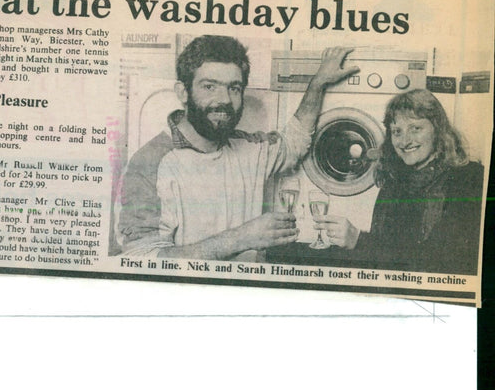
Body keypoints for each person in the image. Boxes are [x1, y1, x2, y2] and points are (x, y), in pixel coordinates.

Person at [117, 35, 358, 260]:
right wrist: (241, 238)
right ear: (183, 92)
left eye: (234, 88)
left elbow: (294, 141)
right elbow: (139, 259)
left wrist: (318, 84)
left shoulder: (249, 147)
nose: (224, 100)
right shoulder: (149, 163)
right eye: (209, 87)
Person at [313, 89, 484, 274]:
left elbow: (441, 259)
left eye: (415, 129)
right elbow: (382, 256)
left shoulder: (468, 178)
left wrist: (358, 240)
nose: (405, 141)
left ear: (438, 128)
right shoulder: (393, 182)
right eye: (397, 132)